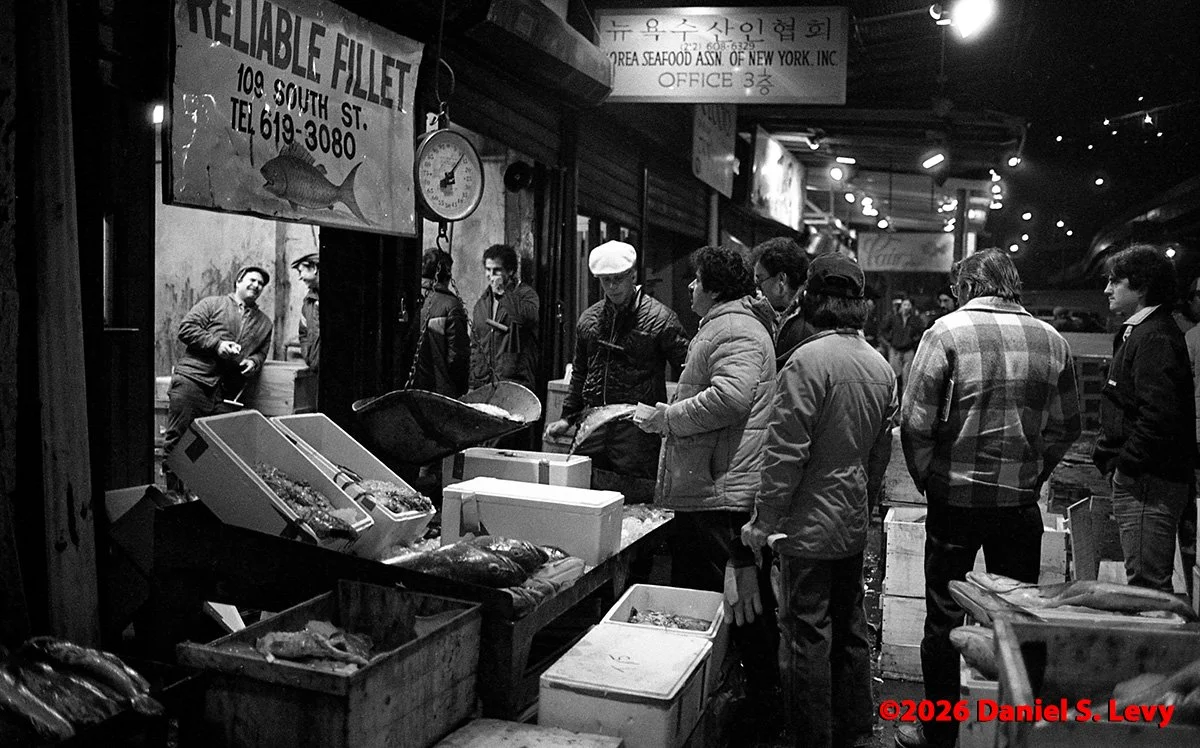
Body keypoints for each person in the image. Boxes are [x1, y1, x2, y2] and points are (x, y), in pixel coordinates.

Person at [896, 248, 1081, 748]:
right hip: (1019, 507)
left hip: (953, 504)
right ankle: (1006, 731)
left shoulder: (945, 332)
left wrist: (928, 479)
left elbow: (915, 424)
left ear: (970, 287)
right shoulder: (1053, 340)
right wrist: (1035, 474)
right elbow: (1069, 425)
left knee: (944, 619)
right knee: (1013, 623)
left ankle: (940, 734)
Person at [742, 252, 895, 748]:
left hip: (806, 524)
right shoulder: (878, 364)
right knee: (849, 626)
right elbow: (879, 452)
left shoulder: (807, 360)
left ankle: (811, 737)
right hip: (850, 519)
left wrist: (763, 521)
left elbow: (785, 453)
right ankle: (855, 728)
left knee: (806, 632)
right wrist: (865, 505)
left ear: (812, 298)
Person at [636, 244, 780, 724]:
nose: (691, 287)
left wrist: (668, 418)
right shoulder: (729, 325)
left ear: (715, 286)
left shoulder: (736, 329)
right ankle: (724, 700)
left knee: (736, 604)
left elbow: (731, 398)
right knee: (730, 603)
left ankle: (759, 708)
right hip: (714, 487)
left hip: (721, 492)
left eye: (697, 280)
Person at [544, 240, 690, 489]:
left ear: (633, 275)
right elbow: (580, 372)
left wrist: (675, 415)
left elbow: (688, 370)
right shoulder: (589, 320)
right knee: (583, 486)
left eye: (618, 279)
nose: (612, 287)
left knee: (636, 498)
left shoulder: (661, 319)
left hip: (637, 430)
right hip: (593, 422)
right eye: (605, 280)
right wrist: (567, 417)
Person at [1093, 244, 1194, 593]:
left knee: (1147, 588)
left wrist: (1126, 467)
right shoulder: (1142, 332)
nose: (1107, 289)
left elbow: (1158, 417)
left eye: (1115, 281)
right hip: (1145, 479)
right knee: (1146, 583)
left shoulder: (1154, 337)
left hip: (1148, 483)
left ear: (1142, 286)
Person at [163, 266, 274, 489]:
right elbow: (186, 329)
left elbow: (261, 353)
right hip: (192, 381)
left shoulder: (264, 323)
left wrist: (252, 363)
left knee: (205, 445)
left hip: (224, 393)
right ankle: (173, 493)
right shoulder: (213, 304)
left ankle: (195, 494)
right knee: (178, 438)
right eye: (252, 280)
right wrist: (217, 345)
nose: (256, 286)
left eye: (261, 284)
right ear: (238, 281)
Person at [469, 243, 539, 392]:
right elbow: (475, 344)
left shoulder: (526, 295)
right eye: (488, 270)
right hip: (484, 383)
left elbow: (525, 319)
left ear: (511, 271)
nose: (491, 275)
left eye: (497, 270)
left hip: (514, 382)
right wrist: (475, 378)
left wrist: (503, 294)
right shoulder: (482, 303)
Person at [410, 248, 469, 398]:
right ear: (447, 275)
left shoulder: (409, 298)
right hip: (438, 393)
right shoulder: (451, 306)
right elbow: (457, 358)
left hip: (408, 390)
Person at [752, 236, 816, 365]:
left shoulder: (806, 325)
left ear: (781, 280)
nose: (758, 288)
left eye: (761, 279)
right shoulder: (788, 315)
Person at [880, 293, 924, 391]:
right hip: (895, 349)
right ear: (901, 306)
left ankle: (905, 403)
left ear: (911, 307)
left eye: (908, 305)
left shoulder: (915, 319)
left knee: (907, 380)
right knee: (893, 377)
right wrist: (890, 339)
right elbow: (883, 329)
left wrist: (913, 341)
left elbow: (921, 332)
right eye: (904, 305)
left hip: (908, 350)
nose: (906, 307)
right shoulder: (894, 317)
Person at [291, 252, 320, 371]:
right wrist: (309, 357)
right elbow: (303, 333)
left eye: (300, 271)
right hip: (318, 370)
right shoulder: (308, 303)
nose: (300, 277)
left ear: (313, 268)